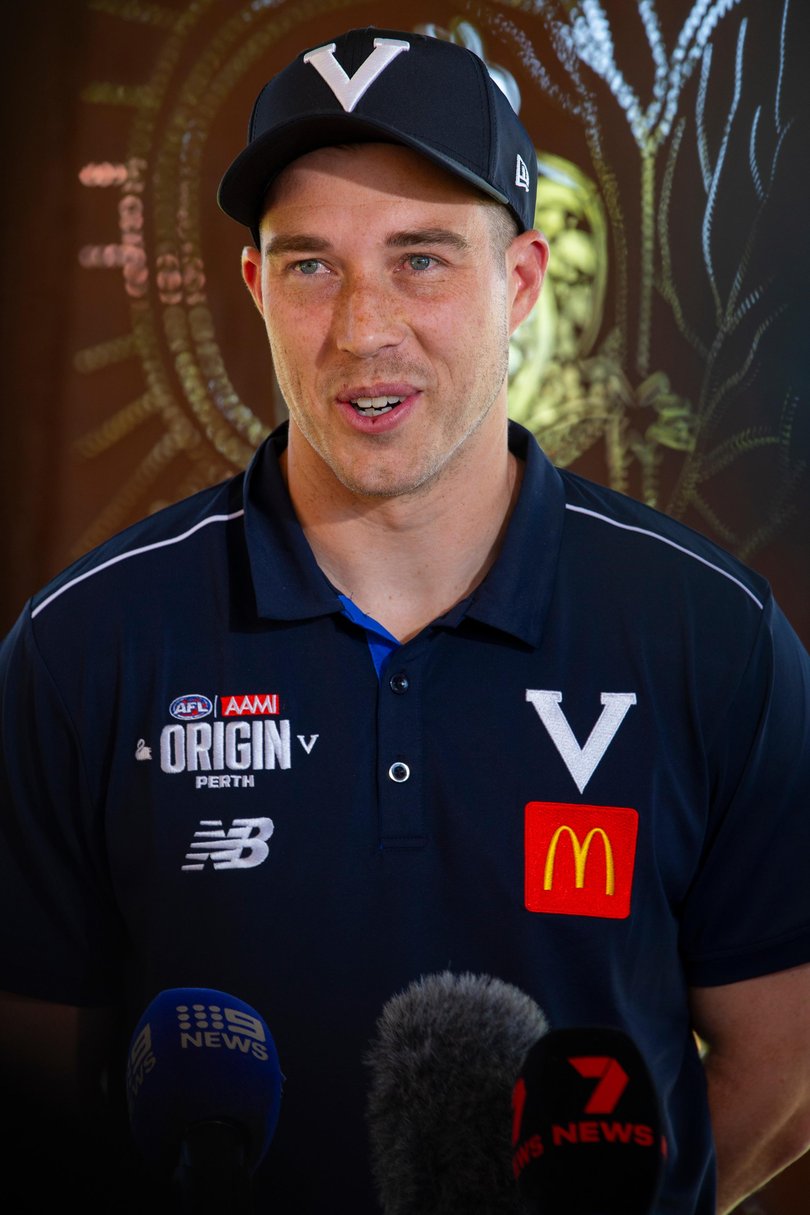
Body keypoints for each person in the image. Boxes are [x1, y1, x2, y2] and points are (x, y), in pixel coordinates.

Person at [1, 25, 809, 1215]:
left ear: (522, 281)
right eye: (310, 265)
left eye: (422, 258)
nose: (363, 328)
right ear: (255, 287)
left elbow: (783, 1063)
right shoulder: (83, 646)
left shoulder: (711, 633)